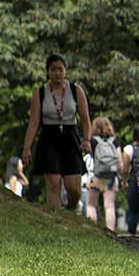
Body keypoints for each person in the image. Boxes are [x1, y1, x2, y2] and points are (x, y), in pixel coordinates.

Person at [22, 54, 91, 211]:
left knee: (73, 187)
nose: (57, 74)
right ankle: (55, 219)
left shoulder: (76, 91)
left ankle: (71, 205)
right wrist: (27, 147)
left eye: (60, 69)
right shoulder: (39, 93)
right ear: (47, 72)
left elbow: (85, 119)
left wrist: (87, 139)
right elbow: (34, 121)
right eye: (53, 70)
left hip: (70, 137)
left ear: (65, 70)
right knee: (53, 182)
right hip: (49, 137)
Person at [86, 116, 121, 231]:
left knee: (91, 205)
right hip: (110, 176)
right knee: (109, 205)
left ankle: (92, 230)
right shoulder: (114, 141)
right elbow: (119, 160)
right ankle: (110, 230)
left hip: (95, 176)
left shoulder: (92, 141)